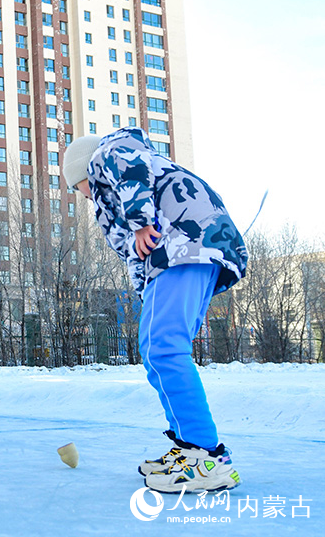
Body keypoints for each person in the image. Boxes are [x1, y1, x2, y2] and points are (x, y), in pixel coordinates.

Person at [62, 127, 247, 493]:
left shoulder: (109, 156)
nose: (80, 195)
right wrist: (147, 292)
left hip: (186, 248)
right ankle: (190, 448)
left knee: (162, 347)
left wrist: (141, 220)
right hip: (186, 255)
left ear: (83, 172)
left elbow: (128, 162)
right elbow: (134, 254)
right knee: (158, 346)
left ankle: (205, 456)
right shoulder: (113, 203)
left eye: (76, 186)